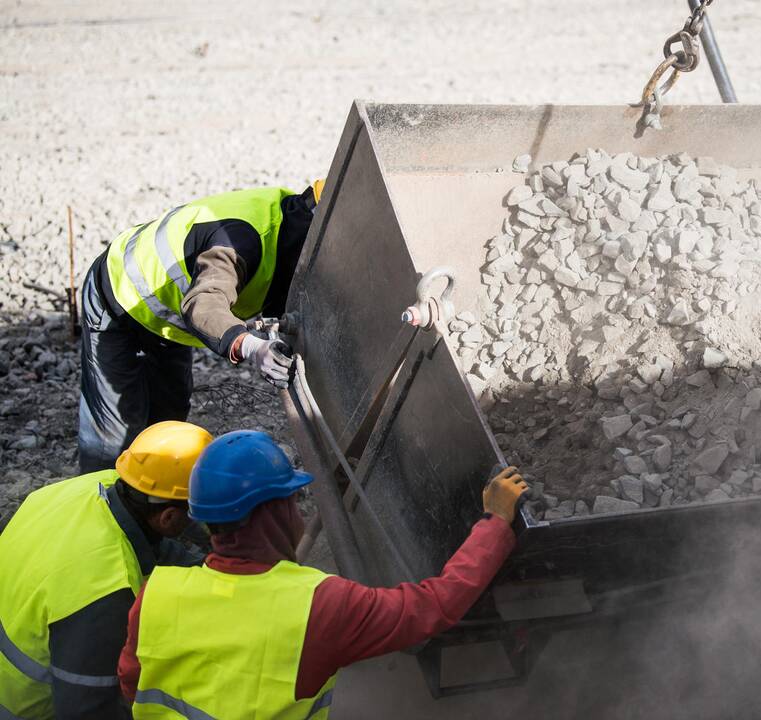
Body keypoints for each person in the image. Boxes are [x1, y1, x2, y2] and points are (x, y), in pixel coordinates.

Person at [118, 430, 526, 717]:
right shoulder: (318, 606)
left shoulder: (156, 594)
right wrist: (495, 520)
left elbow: (132, 683)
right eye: (293, 500)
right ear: (275, 511)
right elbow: (432, 606)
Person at [78, 181, 326, 473]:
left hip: (166, 321)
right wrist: (252, 346)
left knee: (168, 421)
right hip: (119, 296)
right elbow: (204, 304)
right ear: (314, 221)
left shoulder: (290, 232)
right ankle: (103, 504)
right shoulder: (240, 239)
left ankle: (155, 505)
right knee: (113, 438)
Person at [0, 421, 212, 719]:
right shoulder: (103, 591)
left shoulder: (97, 486)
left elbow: (154, 545)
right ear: (167, 517)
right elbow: (86, 710)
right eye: (194, 514)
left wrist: (210, 572)